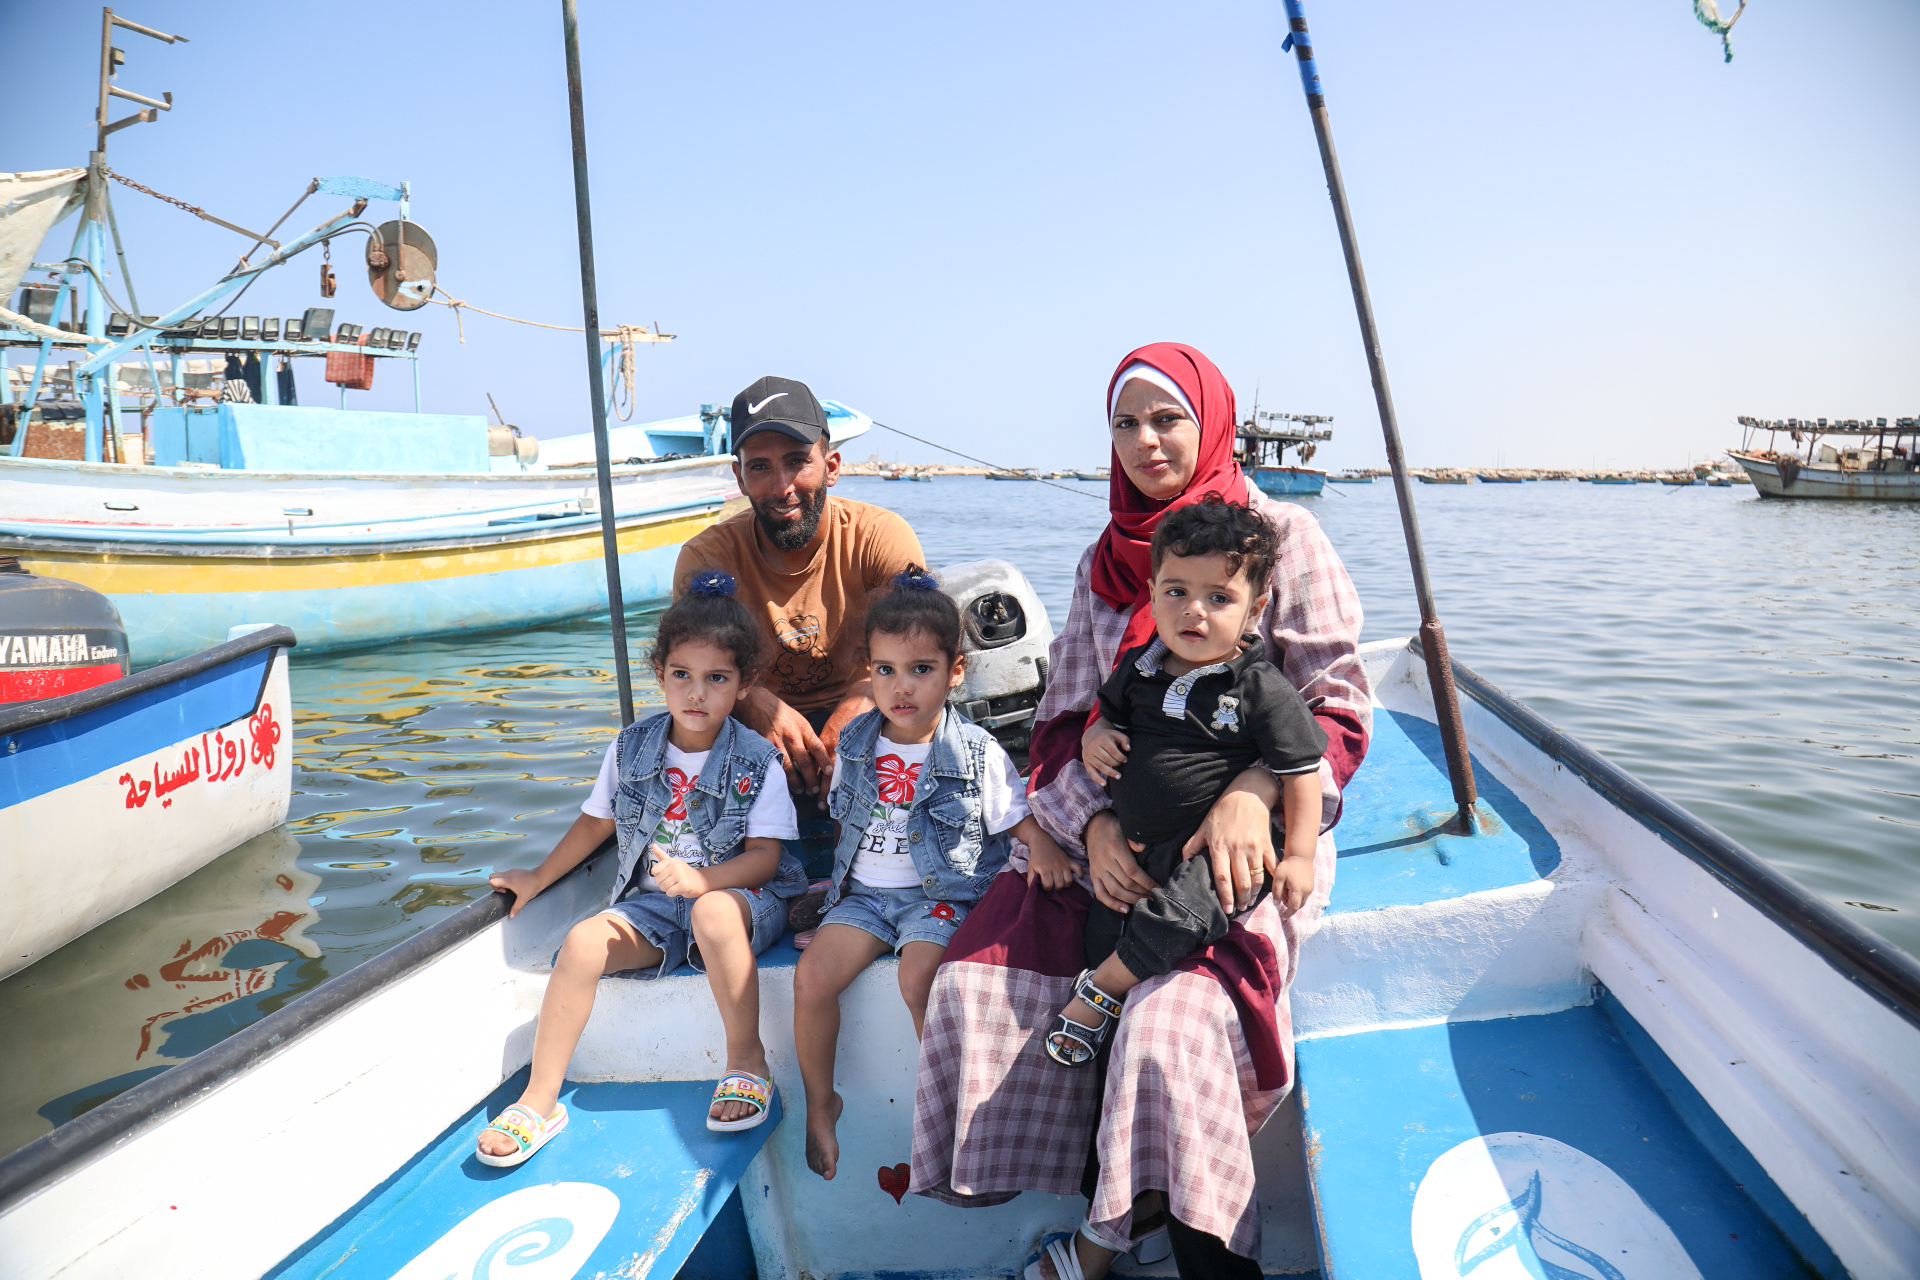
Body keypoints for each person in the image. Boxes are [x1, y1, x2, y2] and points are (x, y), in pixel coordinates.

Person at [909, 343, 1371, 1280]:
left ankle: (1170, 1236)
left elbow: (1339, 708)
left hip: (1247, 840)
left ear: (1213, 421)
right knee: (976, 982)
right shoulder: (1102, 561)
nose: (1146, 441)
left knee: (1171, 1026)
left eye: (1168, 418)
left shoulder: (1281, 537)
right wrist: (1091, 824)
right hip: (1115, 827)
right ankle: (1113, 1204)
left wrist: (1251, 797)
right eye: (1126, 423)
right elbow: (1071, 711)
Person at [478, 571, 807, 1166]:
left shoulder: (759, 760)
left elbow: (767, 860)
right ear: (660, 674)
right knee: (581, 942)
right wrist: (538, 878)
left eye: (716, 679)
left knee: (709, 911)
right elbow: (595, 823)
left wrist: (705, 880)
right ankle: (541, 1098)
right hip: (655, 909)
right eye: (681, 675)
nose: (696, 694)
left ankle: (746, 1060)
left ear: (744, 684)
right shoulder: (631, 748)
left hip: (739, 902)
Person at [793, 568, 1074, 1182]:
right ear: (868, 673)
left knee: (922, 972)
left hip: (939, 896)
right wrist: (829, 897)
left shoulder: (974, 749)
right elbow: (848, 827)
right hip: (865, 897)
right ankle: (821, 1103)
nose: (901, 687)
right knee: (813, 976)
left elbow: (1010, 816)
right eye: (885, 670)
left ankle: (943, 1103)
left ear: (956, 673)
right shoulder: (859, 741)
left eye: (921, 669)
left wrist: (1043, 848)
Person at [1049, 496, 1326, 1068]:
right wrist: (1094, 736)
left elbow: (1301, 772)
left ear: (1255, 610)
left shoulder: (1259, 686)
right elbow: (1104, 714)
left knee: (1191, 908)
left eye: (1219, 598)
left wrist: (1299, 856)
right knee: (1108, 915)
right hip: (1139, 845)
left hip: (1213, 850)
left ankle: (1101, 990)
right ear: (1151, 594)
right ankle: (1110, 1018)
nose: (1193, 612)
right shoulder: (1141, 667)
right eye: (1176, 591)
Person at [674, 376, 926, 810]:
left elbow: (919, 656)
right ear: (739, 476)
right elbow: (691, 671)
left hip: (874, 714)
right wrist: (753, 701)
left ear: (831, 466)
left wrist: (866, 697)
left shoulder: (880, 536)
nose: (781, 487)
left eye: (797, 462)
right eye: (760, 467)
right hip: (747, 730)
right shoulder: (707, 556)